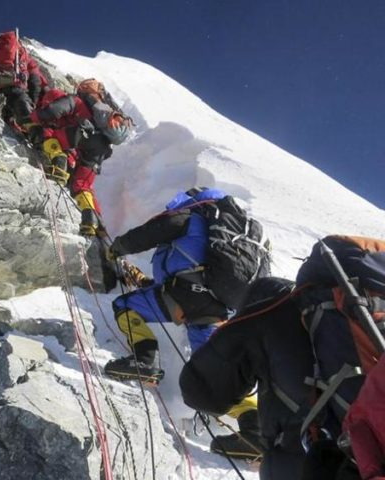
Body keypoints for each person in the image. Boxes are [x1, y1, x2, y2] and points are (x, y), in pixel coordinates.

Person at [104, 186, 264, 458]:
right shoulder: (228, 237)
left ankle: (144, 360)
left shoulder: (190, 218)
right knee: (217, 371)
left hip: (183, 295)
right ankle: (254, 433)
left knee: (124, 306)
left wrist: (116, 248)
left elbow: (147, 234)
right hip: (216, 306)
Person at [179, 277, 312, 478]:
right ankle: (252, 429)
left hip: (298, 460)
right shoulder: (339, 317)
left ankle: (253, 431)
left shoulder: (268, 313)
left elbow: (202, 390)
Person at [27, 79, 132, 236]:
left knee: (50, 136)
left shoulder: (75, 100)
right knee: (82, 184)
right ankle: (94, 223)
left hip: (83, 134)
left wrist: (31, 119)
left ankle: (59, 165)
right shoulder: (101, 110)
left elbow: (52, 111)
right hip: (101, 149)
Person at [0, 30, 46, 125]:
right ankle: (31, 131)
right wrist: (33, 101)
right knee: (25, 116)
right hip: (16, 87)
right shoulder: (24, 56)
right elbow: (35, 80)